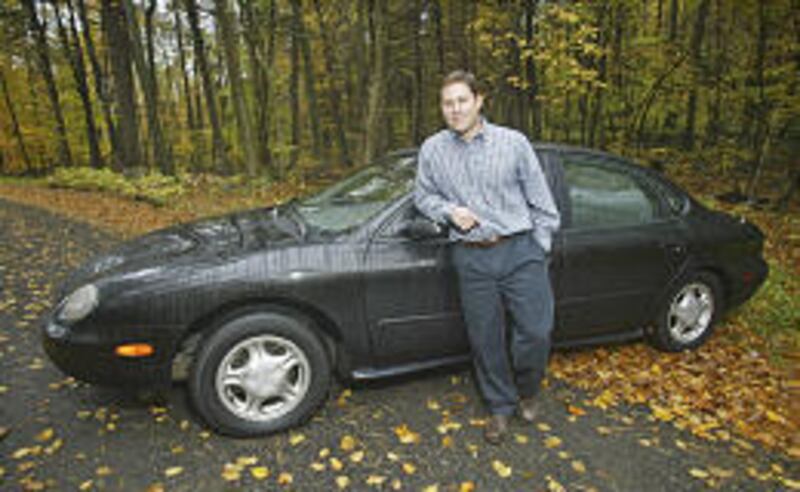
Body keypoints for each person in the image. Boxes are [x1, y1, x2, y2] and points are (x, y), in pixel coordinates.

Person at [413, 70, 560, 444]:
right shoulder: (433, 150)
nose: (455, 109)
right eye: (448, 103)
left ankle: (528, 389)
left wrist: (539, 245)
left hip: (520, 250)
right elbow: (423, 197)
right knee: (484, 338)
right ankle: (499, 406)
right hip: (471, 257)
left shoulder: (513, 143)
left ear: (479, 101)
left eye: (462, 100)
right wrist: (449, 212)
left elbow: (541, 200)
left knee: (536, 332)